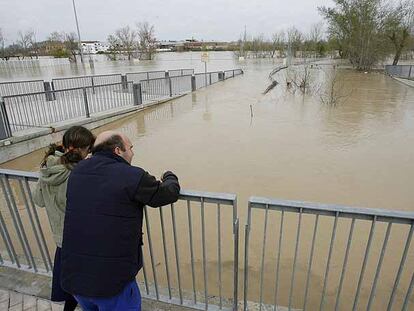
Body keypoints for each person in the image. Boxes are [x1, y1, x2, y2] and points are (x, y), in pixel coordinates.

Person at [61, 130, 180, 311]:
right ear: (118, 150)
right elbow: (167, 193)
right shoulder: (132, 176)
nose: (132, 152)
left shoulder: (77, 171)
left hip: (76, 278)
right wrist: (170, 176)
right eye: (130, 148)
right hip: (112, 283)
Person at [34, 126, 95, 311]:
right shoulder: (78, 173)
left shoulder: (47, 168)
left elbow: (38, 200)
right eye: (88, 149)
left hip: (60, 239)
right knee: (87, 284)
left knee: (70, 282)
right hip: (79, 239)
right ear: (82, 150)